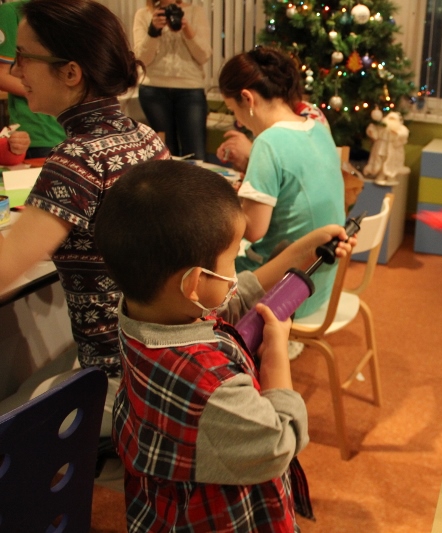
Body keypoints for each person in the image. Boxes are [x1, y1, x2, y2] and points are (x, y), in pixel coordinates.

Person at [96, 160, 327, 532]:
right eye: (232, 260)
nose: (235, 273)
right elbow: (279, 442)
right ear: (194, 284)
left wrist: (301, 251)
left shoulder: (144, 314)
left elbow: (229, 302)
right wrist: (276, 354)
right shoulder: (210, 385)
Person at [0, 0, 170, 437]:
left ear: (71, 73)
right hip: (159, 361)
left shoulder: (77, 160)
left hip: (118, 382)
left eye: (23, 57)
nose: (15, 71)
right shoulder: (143, 136)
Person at [218, 45, 345, 319]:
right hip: (319, 283)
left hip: (286, 292)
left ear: (247, 99)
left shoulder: (268, 142)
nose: (238, 121)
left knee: (200, 279)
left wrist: (224, 203)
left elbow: (253, 230)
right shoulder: (317, 127)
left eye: (233, 110)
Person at [133, 0, 211, 160]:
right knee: (165, 153)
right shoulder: (144, 14)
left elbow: (204, 56)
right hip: (153, 90)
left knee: (196, 152)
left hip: (190, 88)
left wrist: (187, 30)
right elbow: (141, 59)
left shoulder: (196, 13)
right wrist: (153, 31)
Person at [0, 0, 66, 159]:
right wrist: (51, 93)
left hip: (74, 128)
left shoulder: (74, 12)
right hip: (38, 133)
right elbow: (2, 75)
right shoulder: (12, 12)